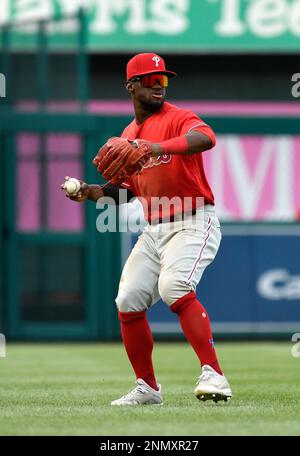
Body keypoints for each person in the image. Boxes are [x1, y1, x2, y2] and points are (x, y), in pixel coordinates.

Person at [62, 53, 232, 406]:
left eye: (164, 80)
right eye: (151, 80)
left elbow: (206, 138)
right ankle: (147, 387)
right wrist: (89, 191)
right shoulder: (129, 134)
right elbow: (125, 189)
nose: (159, 86)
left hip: (193, 221)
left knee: (174, 286)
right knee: (127, 301)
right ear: (131, 86)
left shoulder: (178, 118)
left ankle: (214, 374)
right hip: (154, 229)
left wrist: (153, 147)